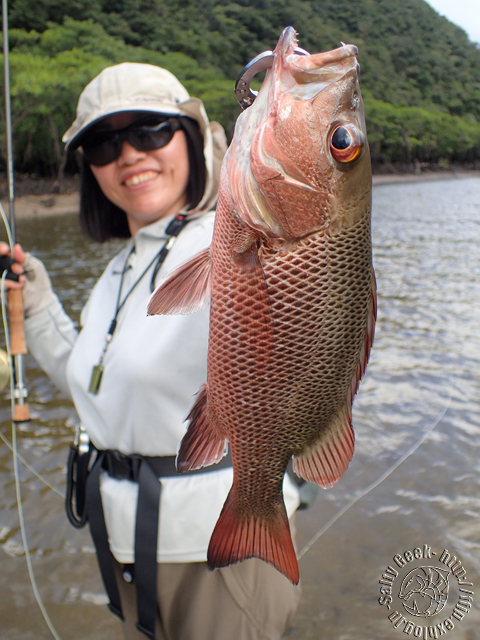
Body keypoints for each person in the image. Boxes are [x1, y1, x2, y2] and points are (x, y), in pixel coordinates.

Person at [2, 63, 301, 640]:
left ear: (193, 138)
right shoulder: (120, 267)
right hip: (127, 544)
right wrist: (36, 302)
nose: (129, 154)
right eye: (103, 143)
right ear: (91, 169)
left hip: (220, 547)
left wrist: (291, 115)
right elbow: (97, 387)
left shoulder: (239, 242)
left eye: (151, 130)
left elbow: (306, 300)